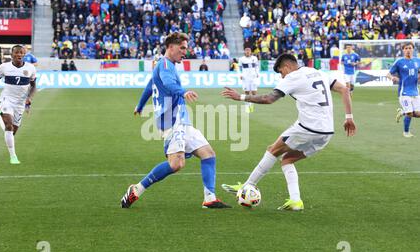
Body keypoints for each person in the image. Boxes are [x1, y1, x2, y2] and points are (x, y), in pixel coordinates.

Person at [221, 53, 356, 211]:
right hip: (326, 133)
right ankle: (295, 201)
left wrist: (241, 97)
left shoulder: (292, 77)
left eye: (280, 72)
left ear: (286, 67)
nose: (281, 76)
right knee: (287, 160)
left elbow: (269, 99)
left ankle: (247, 185)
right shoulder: (318, 72)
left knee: (272, 150)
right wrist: (349, 117)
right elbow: (345, 90)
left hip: (307, 127)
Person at [120, 32, 231, 209]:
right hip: (172, 121)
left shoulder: (163, 64)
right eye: (182, 48)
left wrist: (140, 105)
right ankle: (137, 189)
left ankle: (209, 198)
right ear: (170, 47)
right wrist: (182, 92)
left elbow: (151, 85)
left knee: (208, 154)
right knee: (176, 164)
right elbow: (168, 83)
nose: (185, 52)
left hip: (181, 121)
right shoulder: (165, 65)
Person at [0, 45, 37, 164]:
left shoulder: (31, 68)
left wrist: (29, 98)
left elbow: (34, 86)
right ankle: (13, 157)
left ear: (24, 54)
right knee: (8, 126)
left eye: (21, 53)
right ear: (11, 54)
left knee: (12, 132)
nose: (19, 55)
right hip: (6, 99)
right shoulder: (4, 67)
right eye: (16, 53)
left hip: (20, 103)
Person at [387, 42, 420, 138]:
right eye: (406, 48)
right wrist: (392, 78)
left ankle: (402, 112)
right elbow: (388, 74)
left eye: (410, 48)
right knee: (409, 113)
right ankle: (406, 132)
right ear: (403, 50)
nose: (408, 50)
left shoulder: (418, 61)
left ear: (413, 49)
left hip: (415, 91)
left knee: (418, 114)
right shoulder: (399, 62)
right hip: (404, 92)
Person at [238, 47, 260, 113]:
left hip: (253, 77)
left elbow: (257, 66)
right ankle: (247, 106)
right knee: (247, 92)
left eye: (249, 51)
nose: (247, 52)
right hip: (245, 78)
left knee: (254, 92)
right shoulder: (241, 59)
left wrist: (257, 73)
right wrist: (240, 75)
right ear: (244, 52)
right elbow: (239, 68)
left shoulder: (254, 58)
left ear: (251, 52)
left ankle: (251, 105)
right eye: (246, 51)